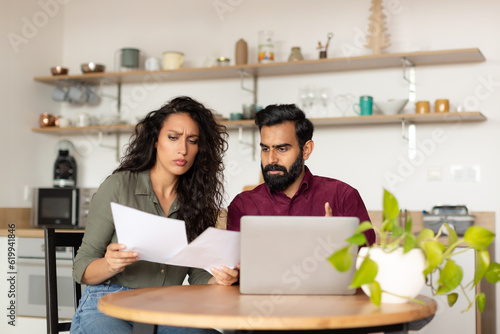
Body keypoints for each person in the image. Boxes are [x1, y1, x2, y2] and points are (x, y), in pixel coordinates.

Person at [71, 96, 239, 334]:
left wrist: (219, 279)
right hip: (107, 302)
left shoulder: (198, 201)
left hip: (165, 307)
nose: (183, 149)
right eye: (173, 138)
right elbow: (82, 269)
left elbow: (198, 274)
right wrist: (110, 264)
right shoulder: (118, 186)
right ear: (155, 141)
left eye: (192, 141)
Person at [226, 103, 375, 245]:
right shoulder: (243, 205)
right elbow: (236, 266)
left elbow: (367, 262)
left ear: (306, 150)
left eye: (282, 149)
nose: (271, 159)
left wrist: (336, 242)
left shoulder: (343, 197)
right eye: (265, 149)